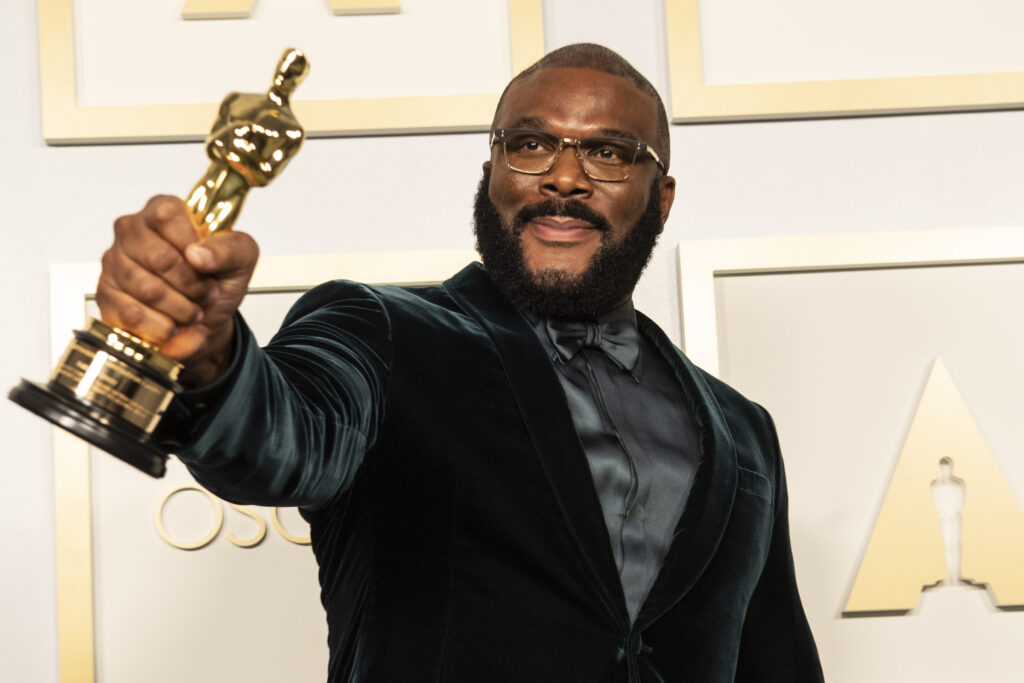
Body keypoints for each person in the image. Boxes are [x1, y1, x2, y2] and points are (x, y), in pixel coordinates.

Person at [97, 43, 823, 682]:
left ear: (660, 200)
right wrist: (209, 357)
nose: (564, 177)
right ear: (492, 174)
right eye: (531, 144)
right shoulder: (380, 331)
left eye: (608, 153)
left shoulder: (744, 433)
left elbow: (777, 663)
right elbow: (284, 443)